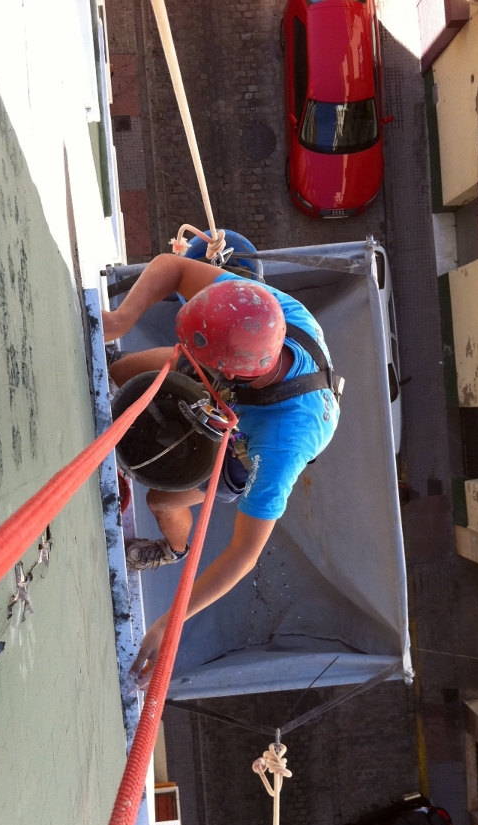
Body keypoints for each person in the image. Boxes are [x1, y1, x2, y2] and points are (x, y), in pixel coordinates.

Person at [102, 253, 340, 687]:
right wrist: (120, 320)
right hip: (230, 381)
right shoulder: (261, 311)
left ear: (225, 375)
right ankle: (190, 377)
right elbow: (174, 267)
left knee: (162, 500)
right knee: (120, 373)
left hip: (245, 445)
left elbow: (244, 553)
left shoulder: (281, 445)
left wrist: (169, 622)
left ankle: (173, 549)